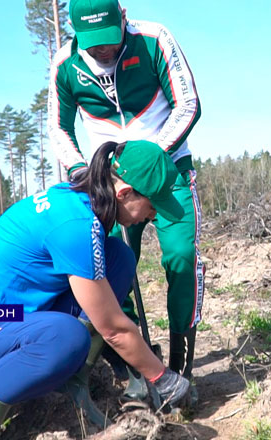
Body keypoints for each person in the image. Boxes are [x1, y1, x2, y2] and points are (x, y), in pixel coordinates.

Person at [0, 141, 191, 440]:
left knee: (119, 258)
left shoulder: (76, 201)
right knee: (67, 335)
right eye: (153, 206)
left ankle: (72, 382)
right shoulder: (74, 225)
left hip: (19, 326)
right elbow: (113, 328)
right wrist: (163, 378)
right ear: (125, 193)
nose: (153, 216)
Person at [47, 0, 204, 406]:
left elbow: (189, 104)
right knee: (109, 267)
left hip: (167, 168)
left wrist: (148, 158)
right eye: (93, 44)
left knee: (181, 257)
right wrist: (87, 172)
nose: (104, 51)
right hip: (108, 180)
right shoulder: (65, 64)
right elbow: (59, 127)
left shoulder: (154, 39)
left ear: (123, 18)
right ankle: (137, 369)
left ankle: (180, 363)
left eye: (111, 41)